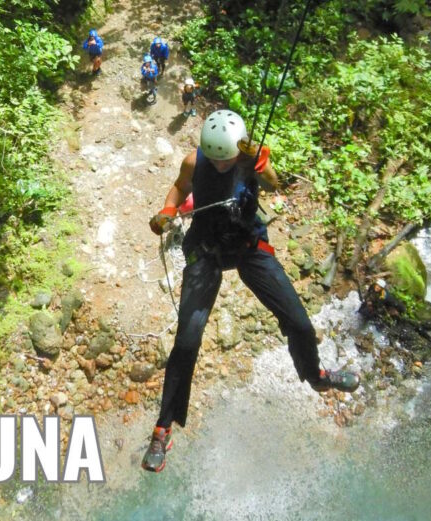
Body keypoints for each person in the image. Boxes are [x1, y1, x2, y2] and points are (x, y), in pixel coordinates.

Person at [141, 109, 361, 473]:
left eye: (226, 159)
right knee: (187, 341)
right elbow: (180, 187)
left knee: (299, 323)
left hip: (248, 246)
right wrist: (167, 210)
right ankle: (163, 429)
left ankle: (316, 376)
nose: (220, 165)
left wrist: (262, 165)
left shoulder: (249, 155)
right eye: (215, 159)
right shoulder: (194, 161)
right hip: (206, 250)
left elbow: (274, 184)